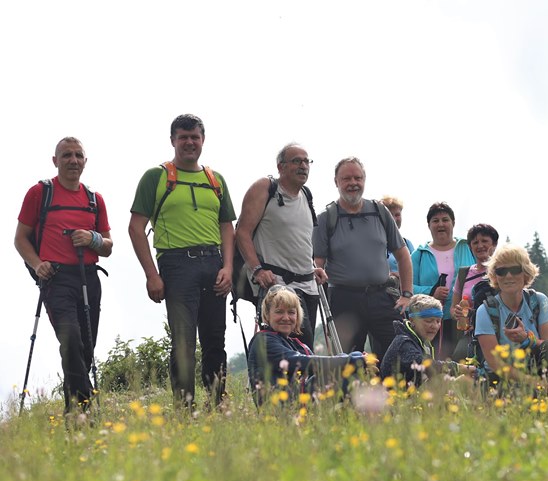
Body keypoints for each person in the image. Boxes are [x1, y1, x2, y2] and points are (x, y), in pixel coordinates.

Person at [129, 114, 236, 409]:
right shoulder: (156, 177)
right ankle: (184, 407)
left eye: (195, 137)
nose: (189, 142)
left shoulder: (216, 180)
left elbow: (227, 226)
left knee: (215, 338)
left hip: (213, 261)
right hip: (176, 264)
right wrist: (152, 275)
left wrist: (228, 266)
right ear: (173, 140)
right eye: (183, 137)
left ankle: (217, 402)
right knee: (183, 341)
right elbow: (135, 228)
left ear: (203, 140)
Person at [15, 137, 113, 413]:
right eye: (66, 155)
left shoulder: (95, 199)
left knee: (85, 347)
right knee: (70, 339)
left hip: (89, 277)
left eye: (78, 155)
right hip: (56, 278)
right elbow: (20, 238)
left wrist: (91, 238)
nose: (73, 160)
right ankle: (85, 409)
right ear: (55, 161)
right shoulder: (40, 193)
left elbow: (108, 246)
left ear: (85, 161)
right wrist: (37, 265)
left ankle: (74, 414)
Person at [313, 157, 413, 357]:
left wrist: (406, 295)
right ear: (336, 182)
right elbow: (318, 263)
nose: (353, 183)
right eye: (346, 178)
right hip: (344, 299)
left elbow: (403, 255)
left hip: (382, 297)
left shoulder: (380, 212)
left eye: (357, 178)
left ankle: (397, 389)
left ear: (364, 180)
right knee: (347, 361)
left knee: (400, 355)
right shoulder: (326, 218)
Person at [235, 143, 320, 349]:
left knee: (305, 344)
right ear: (280, 167)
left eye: (306, 161)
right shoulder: (265, 188)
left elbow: (299, 240)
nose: (303, 166)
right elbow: (242, 232)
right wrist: (257, 270)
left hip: (308, 284)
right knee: (296, 342)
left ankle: (302, 382)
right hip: (279, 282)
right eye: (296, 161)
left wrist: (313, 266)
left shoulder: (306, 195)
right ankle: (283, 381)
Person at [247, 285, 359, 406]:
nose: (286, 318)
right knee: (347, 378)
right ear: (267, 315)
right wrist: (351, 360)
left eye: (291, 312)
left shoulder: (298, 345)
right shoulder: (263, 340)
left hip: (303, 404)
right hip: (282, 412)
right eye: (279, 312)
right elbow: (301, 362)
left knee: (351, 373)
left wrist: (354, 358)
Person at [474, 244, 548, 392]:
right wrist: (533, 382)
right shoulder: (485, 311)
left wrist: (526, 339)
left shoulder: (539, 301)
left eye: (515, 270)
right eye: (501, 271)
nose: (508, 276)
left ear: (526, 273)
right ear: (495, 276)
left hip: (535, 370)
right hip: (500, 380)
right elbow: (494, 363)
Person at [411, 202, 476, 360]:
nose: (441, 224)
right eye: (435, 221)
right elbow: (407, 288)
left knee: (463, 360)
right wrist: (431, 292)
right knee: (435, 363)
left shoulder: (468, 247)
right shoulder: (419, 254)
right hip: (430, 321)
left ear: (453, 223)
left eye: (445, 220)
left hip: (465, 319)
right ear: (429, 226)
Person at [380, 294, 476, 387]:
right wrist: (460, 368)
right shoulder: (404, 342)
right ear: (412, 320)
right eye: (428, 321)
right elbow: (427, 365)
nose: (434, 326)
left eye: (438, 321)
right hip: (397, 399)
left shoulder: (421, 341)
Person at [450, 223, 499, 360]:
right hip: (471, 334)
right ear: (470, 247)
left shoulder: (501, 271)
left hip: (499, 331)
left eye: (485, 241)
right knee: (459, 361)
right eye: (475, 242)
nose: (480, 245)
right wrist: (458, 313)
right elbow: (453, 309)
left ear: (494, 244)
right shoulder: (464, 273)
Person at [381, 196, 415, 276]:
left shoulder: (407, 244)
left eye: (397, 215)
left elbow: (415, 270)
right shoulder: (373, 244)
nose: (394, 219)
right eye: (389, 215)